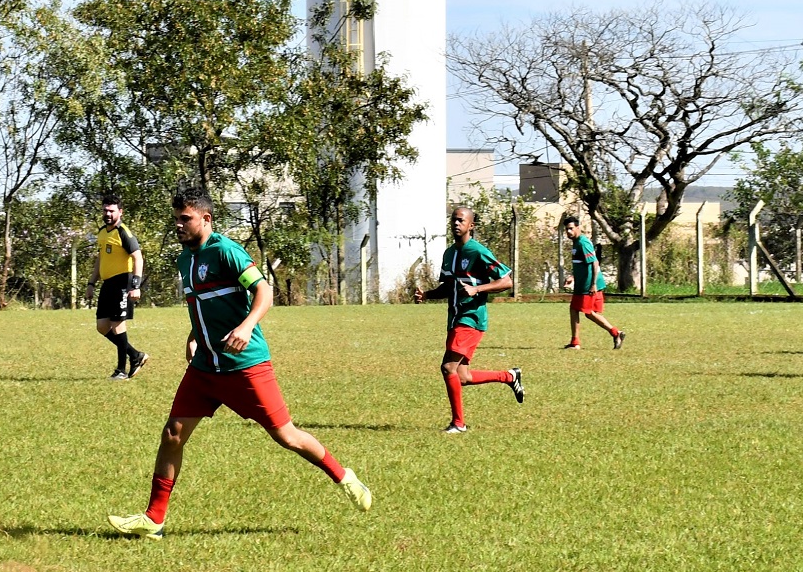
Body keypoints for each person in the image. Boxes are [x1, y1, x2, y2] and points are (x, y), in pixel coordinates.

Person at [109, 191, 371, 538]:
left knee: (287, 437)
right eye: (176, 218)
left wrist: (246, 327)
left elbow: (264, 292)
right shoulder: (184, 260)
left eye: (185, 218)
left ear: (206, 219)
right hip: (205, 366)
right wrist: (193, 334)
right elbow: (203, 305)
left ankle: (344, 476)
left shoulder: (227, 251)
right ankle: (154, 520)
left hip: (245, 365)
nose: (178, 224)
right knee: (172, 435)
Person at [414, 205, 523, 434]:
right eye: (453, 219)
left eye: (461, 220)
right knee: (462, 376)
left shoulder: (478, 251)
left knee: (448, 368)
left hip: (471, 318)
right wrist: (427, 295)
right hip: (455, 318)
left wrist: (477, 289)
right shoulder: (449, 254)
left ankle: (458, 424)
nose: (456, 223)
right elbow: (448, 287)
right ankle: (509, 376)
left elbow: (506, 282)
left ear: (471, 225)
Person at [93, 197, 148, 379]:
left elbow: (138, 258)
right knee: (102, 326)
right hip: (108, 283)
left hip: (123, 282)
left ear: (120, 212)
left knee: (117, 326)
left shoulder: (124, 232)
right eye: (105, 210)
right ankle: (135, 355)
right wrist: (91, 282)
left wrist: (135, 286)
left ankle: (120, 371)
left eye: (112, 211)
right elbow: (100, 259)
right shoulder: (102, 233)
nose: (108, 214)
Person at [563, 213, 622, 349]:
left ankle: (615, 333)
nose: (569, 231)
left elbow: (595, 263)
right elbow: (581, 264)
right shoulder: (576, 243)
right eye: (567, 229)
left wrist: (593, 284)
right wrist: (573, 276)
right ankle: (575, 342)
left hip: (588, 285)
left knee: (588, 313)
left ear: (578, 228)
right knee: (575, 309)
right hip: (582, 284)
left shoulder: (583, 243)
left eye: (571, 228)